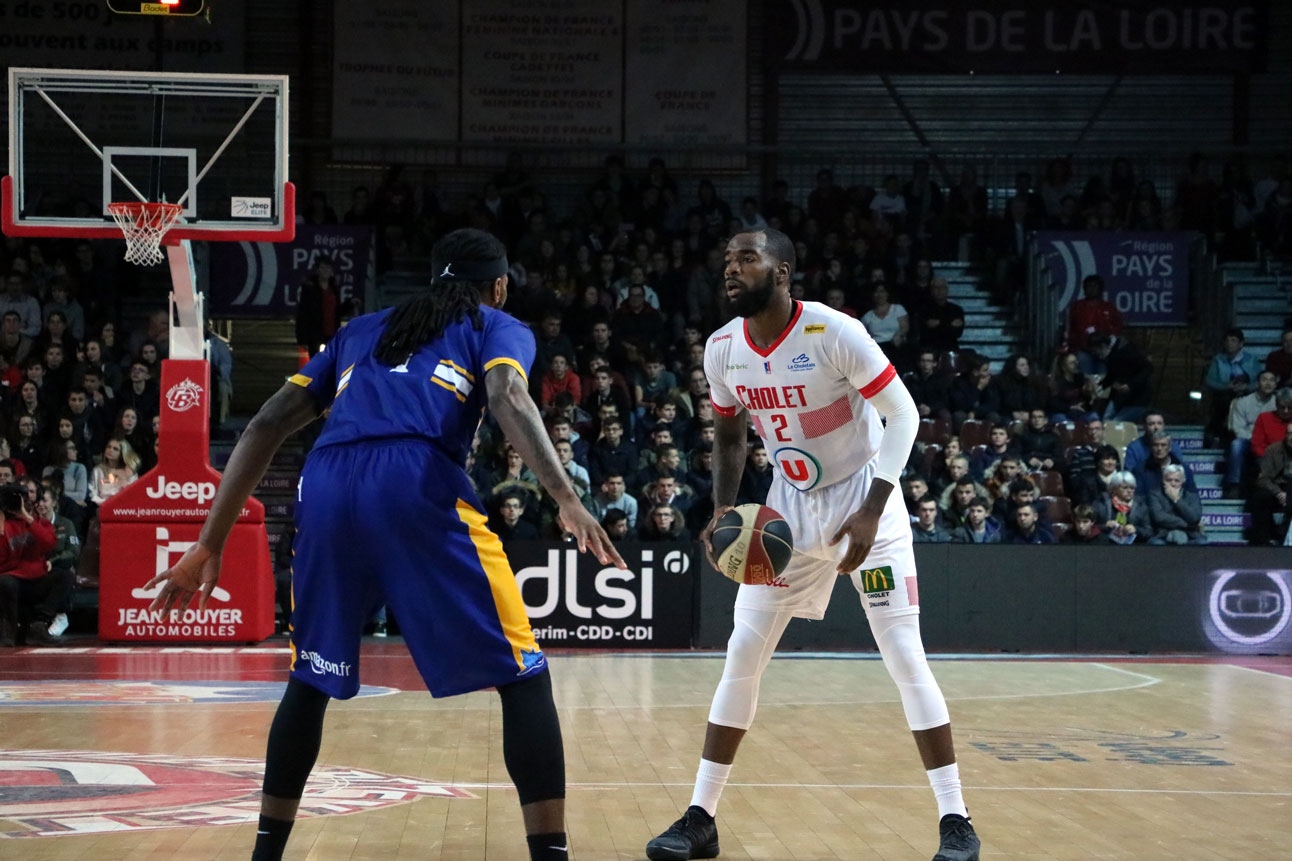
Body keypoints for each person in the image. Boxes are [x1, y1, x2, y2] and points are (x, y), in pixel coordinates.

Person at [145, 228, 624, 861]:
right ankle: (552, 855)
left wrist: (210, 543)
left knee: (308, 679)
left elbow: (263, 424)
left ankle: (266, 855)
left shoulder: (359, 330)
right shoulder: (497, 325)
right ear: (500, 286)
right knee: (524, 675)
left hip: (325, 483)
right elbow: (508, 396)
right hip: (415, 479)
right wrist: (565, 496)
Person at [646, 228, 979, 861]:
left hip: (866, 500)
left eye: (747, 258)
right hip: (787, 515)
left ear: (784, 271)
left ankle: (956, 819)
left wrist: (873, 510)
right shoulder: (722, 350)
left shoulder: (834, 332)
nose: (732, 269)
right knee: (742, 652)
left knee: (905, 655)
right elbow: (728, 434)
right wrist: (723, 510)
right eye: (726, 260)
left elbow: (904, 416)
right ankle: (700, 817)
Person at [0, 482, 62, 647]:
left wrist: (27, 519)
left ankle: (38, 625)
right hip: (11, 577)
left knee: (64, 576)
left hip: (36, 578)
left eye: (25, 496)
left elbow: (49, 544)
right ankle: (9, 628)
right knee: (5, 582)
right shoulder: (3, 523)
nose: (21, 502)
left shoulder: (40, 522)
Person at [1203, 328, 1264, 444]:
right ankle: (1221, 434)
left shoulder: (1251, 359)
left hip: (1248, 393)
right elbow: (1210, 381)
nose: (1230, 343)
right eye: (1227, 341)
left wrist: (1246, 387)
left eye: (1233, 340)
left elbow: (1259, 381)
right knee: (1224, 402)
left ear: (1241, 343)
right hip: (1225, 394)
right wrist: (1227, 386)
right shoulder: (1218, 360)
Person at [1225, 370, 1279, 495]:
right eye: (1264, 380)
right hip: (1248, 439)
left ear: (1276, 385)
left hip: (1272, 442)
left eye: (1272, 380)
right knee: (1236, 445)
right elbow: (1237, 428)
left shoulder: (1278, 403)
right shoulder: (1243, 402)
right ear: (1257, 384)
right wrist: (1255, 439)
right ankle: (1234, 485)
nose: (1268, 383)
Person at [1250, 420, 1292, 546]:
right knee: (1260, 497)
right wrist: (1278, 492)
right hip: (1277, 487)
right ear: (1285, 435)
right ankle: (1262, 542)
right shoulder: (1273, 450)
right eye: (1289, 434)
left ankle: (1284, 535)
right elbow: (1263, 478)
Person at [1145, 464, 1207, 545]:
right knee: (1156, 544)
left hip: (1190, 535)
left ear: (1183, 481)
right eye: (1169, 480)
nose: (1173, 484)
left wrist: (1176, 499)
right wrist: (1188, 525)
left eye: (1176, 480)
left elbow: (1194, 518)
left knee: (1201, 542)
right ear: (1163, 480)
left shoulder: (1192, 496)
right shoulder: (1155, 495)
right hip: (1164, 535)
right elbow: (1159, 517)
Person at [1093, 471, 1151, 545]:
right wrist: (1105, 526)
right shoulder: (1101, 504)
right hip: (1106, 546)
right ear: (1114, 489)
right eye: (1125, 487)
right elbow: (1091, 527)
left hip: (1134, 546)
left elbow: (1149, 532)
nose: (1129, 491)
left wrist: (1136, 530)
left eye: (1132, 488)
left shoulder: (1141, 506)